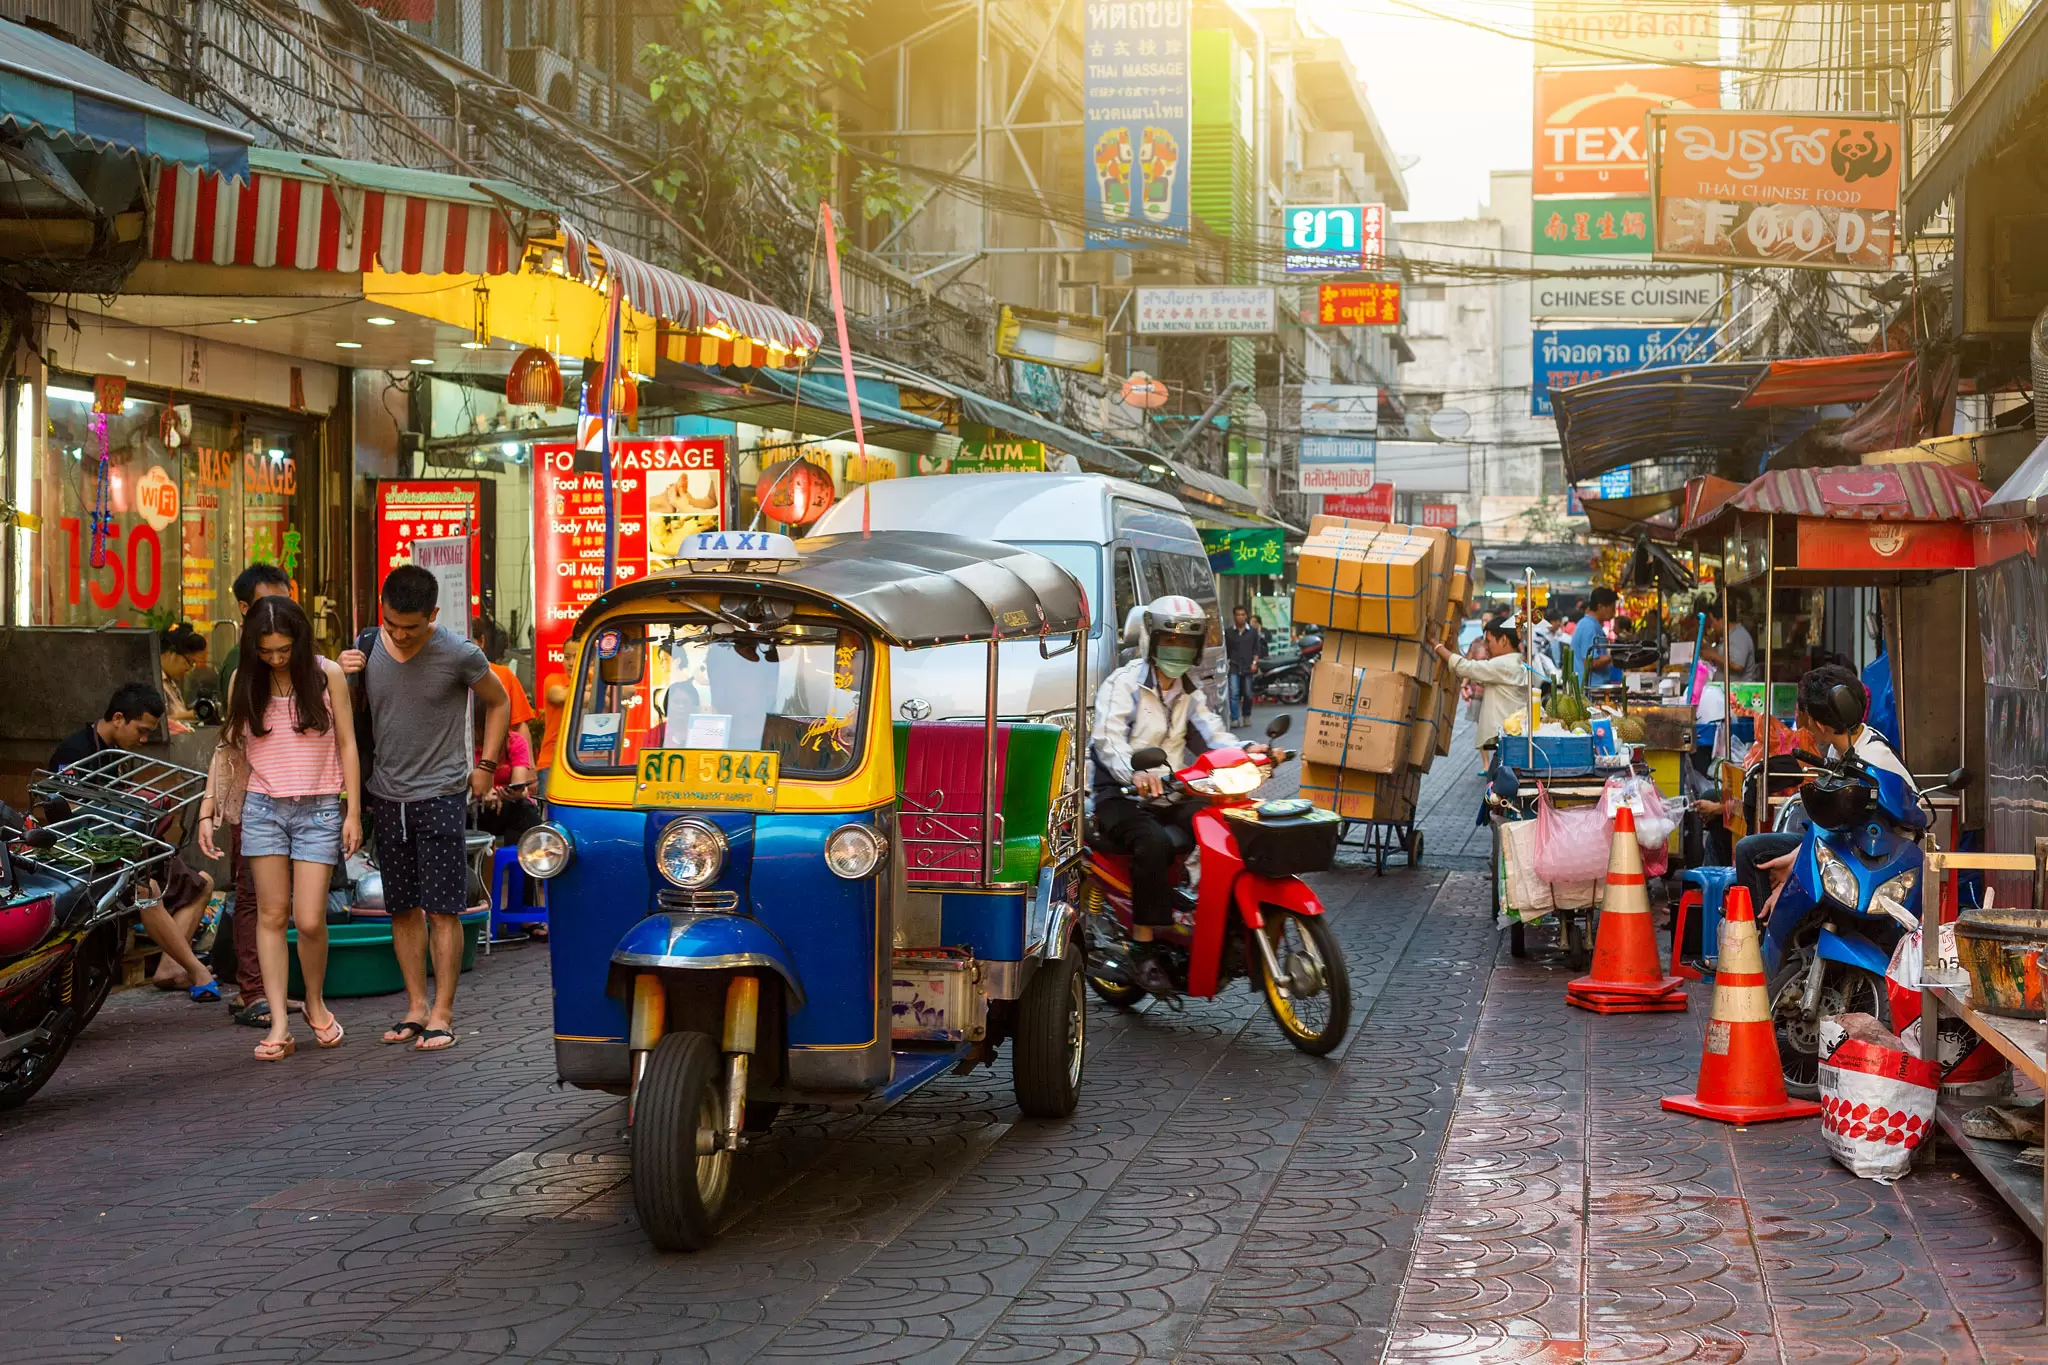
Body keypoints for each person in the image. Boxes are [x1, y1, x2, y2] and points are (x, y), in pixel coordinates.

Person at [340, 565, 510, 1053]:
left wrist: (487, 765)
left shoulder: (460, 653)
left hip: (440, 794)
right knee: (401, 909)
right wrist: (342, 671)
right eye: (391, 623)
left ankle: (443, 1012)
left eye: (411, 627)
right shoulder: (367, 646)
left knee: (442, 910)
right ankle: (415, 1007)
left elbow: (497, 703)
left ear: (432, 615)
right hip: (386, 795)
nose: (399, 634)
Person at [200, 596, 360, 1061]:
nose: (275, 658)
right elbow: (228, 750)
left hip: (320, 809)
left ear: (300, 639)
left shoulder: (326, 673)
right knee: (270, 916)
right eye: (266, 651)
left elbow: (348, 744)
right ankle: (278, 1022)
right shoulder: (243, 680)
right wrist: (210, 808)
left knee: (309, 919)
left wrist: (352, 811)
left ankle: (313, 1000)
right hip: (262, 808)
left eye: (284, 649)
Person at [1090, 596, 1265, 986]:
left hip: (1171, 790)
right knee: (1152, 843)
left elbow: (1211, 734)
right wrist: (1134, 773)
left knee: (1221, 823)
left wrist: (1247, 753)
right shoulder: (1124, 684)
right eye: (1171, 641)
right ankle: (1143, 946)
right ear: (1152, 640)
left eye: (1187, 643)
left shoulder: (1189, 690)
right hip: (1120, 793)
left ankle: (1194, 907)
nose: (1178, 650)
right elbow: (1109, 741)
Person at [50, 684, 220, 1001]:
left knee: (204, 883)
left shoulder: (116, 754)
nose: (143, 740)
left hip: (125, 849)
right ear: (118, 718)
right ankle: (196, 969)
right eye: (141, 731)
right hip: (88, 859)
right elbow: (66, 817)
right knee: (146, 890)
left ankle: (173, 967)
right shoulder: (76, 752)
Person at [1733, 664, 1918, 921]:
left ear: (1819, 724)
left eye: (1804, 715)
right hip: (1845, 841)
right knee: (1750, 851)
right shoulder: (1841, 748)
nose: (1802, 723)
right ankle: (1764, 935)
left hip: (1874, 858)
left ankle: (1771, 923)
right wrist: (1793, 859)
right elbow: (1833, 823)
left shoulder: (1873, 759)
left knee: (1759, 858)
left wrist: (1791, 880)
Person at [220, 562, 297, 1025]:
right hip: (254, 793)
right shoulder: (242, 661)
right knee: (252, 894)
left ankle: (267, 987)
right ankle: (253, 991)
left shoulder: (295, 654)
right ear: (247, 610)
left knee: (277, 899)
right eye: (272, 604)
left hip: (294, 794)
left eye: (287, 603)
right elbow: (231, 745)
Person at [1431, 617, 1533, 751]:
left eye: (1488, 642)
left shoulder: (1504, 664)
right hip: (1511, 736)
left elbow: (1465, 667)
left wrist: (1434, 643)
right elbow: (1473, 672)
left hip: (1508, 737)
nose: (1485, 646)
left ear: (1503, 640)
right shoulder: (1515, 662)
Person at [472, 616, 537, 751]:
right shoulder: (442, 680)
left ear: (481, 641)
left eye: (467, 642)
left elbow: (519, 726)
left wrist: (528, 767)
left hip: (501, 765)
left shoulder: (503, 676)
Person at [157, 624, 210, 726]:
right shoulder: (153, 682)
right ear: (172, 653)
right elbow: (159, 724)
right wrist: (193, 714)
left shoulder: (170, 682)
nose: (190, 668)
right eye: (190, 662)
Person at [1221, 604, 1264, 728]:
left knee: (1248, 693)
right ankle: (1234, 718)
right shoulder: (1228, 632)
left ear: (1246, 616)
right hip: (1233, 666)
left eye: (1243, 615)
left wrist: (1255, 663)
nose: (1240, 617)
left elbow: (1256, 650)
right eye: (1238, 615)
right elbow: (1225, 651)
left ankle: (1246, 716)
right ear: (1234, 616)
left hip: (1248, 666)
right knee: (1233, 693)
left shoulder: (1253, 632)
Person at [1571, 587, 1619, 686]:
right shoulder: (1588, 627)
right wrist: (1614, 656)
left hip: (1596, 686)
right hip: (1590, 690)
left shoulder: (1592, 625)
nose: (1614, 612)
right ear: (1600, 607)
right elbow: (1590, 662)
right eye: (1612, 608)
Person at [1701, 601, 1756, 682]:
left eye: (1713, 621)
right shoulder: (1728, 636)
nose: (1712, 626)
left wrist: (1713, 656)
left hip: (1739, 692)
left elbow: (1737, 665)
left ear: (1721, 620)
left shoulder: (1739, 635)